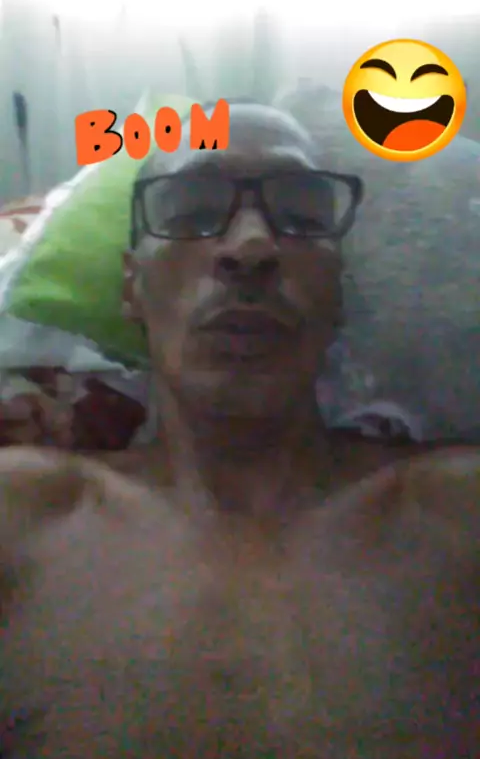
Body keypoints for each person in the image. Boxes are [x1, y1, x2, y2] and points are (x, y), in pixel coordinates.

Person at [0, 101, 478, 758]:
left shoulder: (458, 511)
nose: (251, 247)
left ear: (339, 291)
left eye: (301, 218)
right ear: (131, 288)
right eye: (192, 213)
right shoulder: (22, 513)